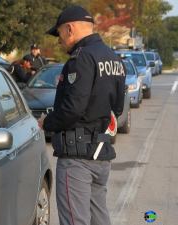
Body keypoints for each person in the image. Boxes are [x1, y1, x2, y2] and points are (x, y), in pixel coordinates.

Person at [38, 5, 126, 225]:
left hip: (77, 158)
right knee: (99, 218)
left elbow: (72, 109)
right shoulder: (113, 58)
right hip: (100, 155)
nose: (59, 41)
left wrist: (45, 122)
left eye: (59, 34)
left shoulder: (81, 58)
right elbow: (118, 107)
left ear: (69, 29)